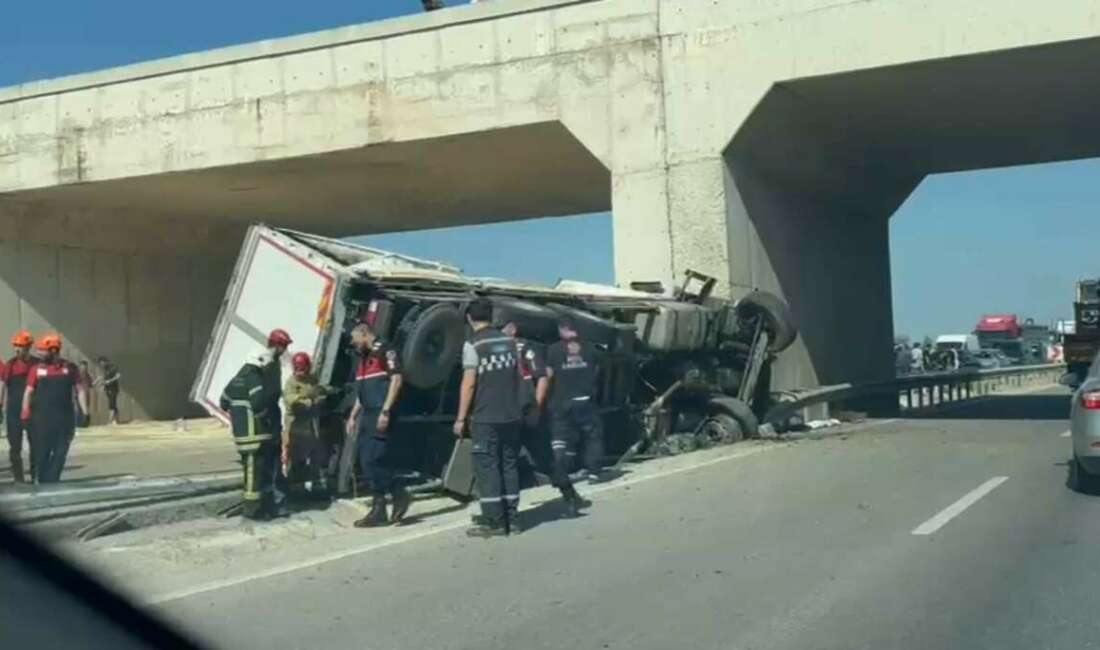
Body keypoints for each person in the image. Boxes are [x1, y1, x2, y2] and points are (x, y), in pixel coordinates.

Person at [454, 298, 525, 537]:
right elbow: (518, 376)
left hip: (486, 416)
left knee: (487, 466)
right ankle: (513, 519)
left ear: (469, 318)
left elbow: (469, 384)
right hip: (512, 415)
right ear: (492, 316)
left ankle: (494, 521)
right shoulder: (510, 342)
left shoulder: (473, 345)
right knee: (509, 464)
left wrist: (461, 418)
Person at [345, 323, 409, 528]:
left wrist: (386, 410)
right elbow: (362, 392)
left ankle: (398, 491)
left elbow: (396, 380)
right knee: (366, 461)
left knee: (375, 458)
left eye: (355, 339)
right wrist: (353, 416)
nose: (354, 343)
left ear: (365, 334)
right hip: (367, 414)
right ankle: (379, 509)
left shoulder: (385, 350)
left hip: (381, 413)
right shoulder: (362, 358)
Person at [219, 340, 290, 521]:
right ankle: (253, 509)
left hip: (242, 434)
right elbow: (258, 402)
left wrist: (238, 413)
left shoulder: (237, 377)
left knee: (252, 471)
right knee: (254, 474)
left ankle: (260, 505)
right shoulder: (254, 377)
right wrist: (266, 415)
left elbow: (223, 401)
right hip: (255, 435)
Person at [536, 316, 598, 516]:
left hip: (561, 403)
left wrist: (540, 403)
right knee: (591, 435)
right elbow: (597, 371)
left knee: (560, 442)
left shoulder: (554, 350)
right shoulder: (590, 348)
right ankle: (592, 470)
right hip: (585, 400)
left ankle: (562, 473)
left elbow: (548, 376)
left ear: (563, 329)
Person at [21, 334, 88, 484]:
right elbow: (28, 393)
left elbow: (80, 390)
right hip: (42, 420)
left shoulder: (70, 368)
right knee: (42, 452)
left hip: (65, 420)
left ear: (53, 350)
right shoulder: (36, 370)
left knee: (61, 453)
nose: (38, 353)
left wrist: (85, 412)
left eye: (42, 350)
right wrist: (25, 413)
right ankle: (43, 480)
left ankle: (52, 480)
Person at [282, 352, 330, 498]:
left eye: (303, 369)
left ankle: (316, 488)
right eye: (298, 369)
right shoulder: (291, 383)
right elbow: (291, 401)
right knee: (296, 459)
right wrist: (309, 401)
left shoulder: (311, 379)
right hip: (295, 426)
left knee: (316, 456)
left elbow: (319, 392)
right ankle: (296, 490)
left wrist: (323, 394)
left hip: (311, 426)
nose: (300, 373)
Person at [0, 331, 36, 483]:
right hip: (14, 412)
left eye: (20, 346)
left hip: (34, 411)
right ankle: (18, 478)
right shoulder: (10, 364)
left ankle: (36, 475)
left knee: (36, 445)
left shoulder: (37, 364)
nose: (16, 349)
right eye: (15, 346)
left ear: (28, 347)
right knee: (15, 447)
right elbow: (2, 384)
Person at [95, 357, 121, 425]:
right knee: (113, 404)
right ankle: (117, 420)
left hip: (114, 389)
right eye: (100, 364)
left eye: (102, 363)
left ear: (105, 361)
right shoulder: (104, 370)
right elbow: (103, 378)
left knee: (111, 404)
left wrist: (110, 381)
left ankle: (110, 421)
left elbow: (118, 376)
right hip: (108, 389)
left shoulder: (113, 367)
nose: (101, 365)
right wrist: (101, 385)